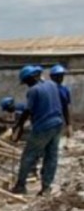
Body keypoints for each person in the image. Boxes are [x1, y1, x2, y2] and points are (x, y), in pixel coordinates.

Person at [13, 65, 66, 195]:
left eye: (26, 82)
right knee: (51, 156)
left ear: (31, 78)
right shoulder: (52, 85)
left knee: (29, 155)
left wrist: (18, 125)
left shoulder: (33, 91)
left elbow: (28, 110)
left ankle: (20, 185)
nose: (27, 85)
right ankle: (46, 187)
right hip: (58, 124)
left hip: (43, 127)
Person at [51, 65, 71, 132]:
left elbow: (65, 108)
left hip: (58, 120)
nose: (60, 78)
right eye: (58, 76)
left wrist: (68, 124)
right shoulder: (47, 89)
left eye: (61, 76)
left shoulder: (64, 90)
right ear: (52, 77)